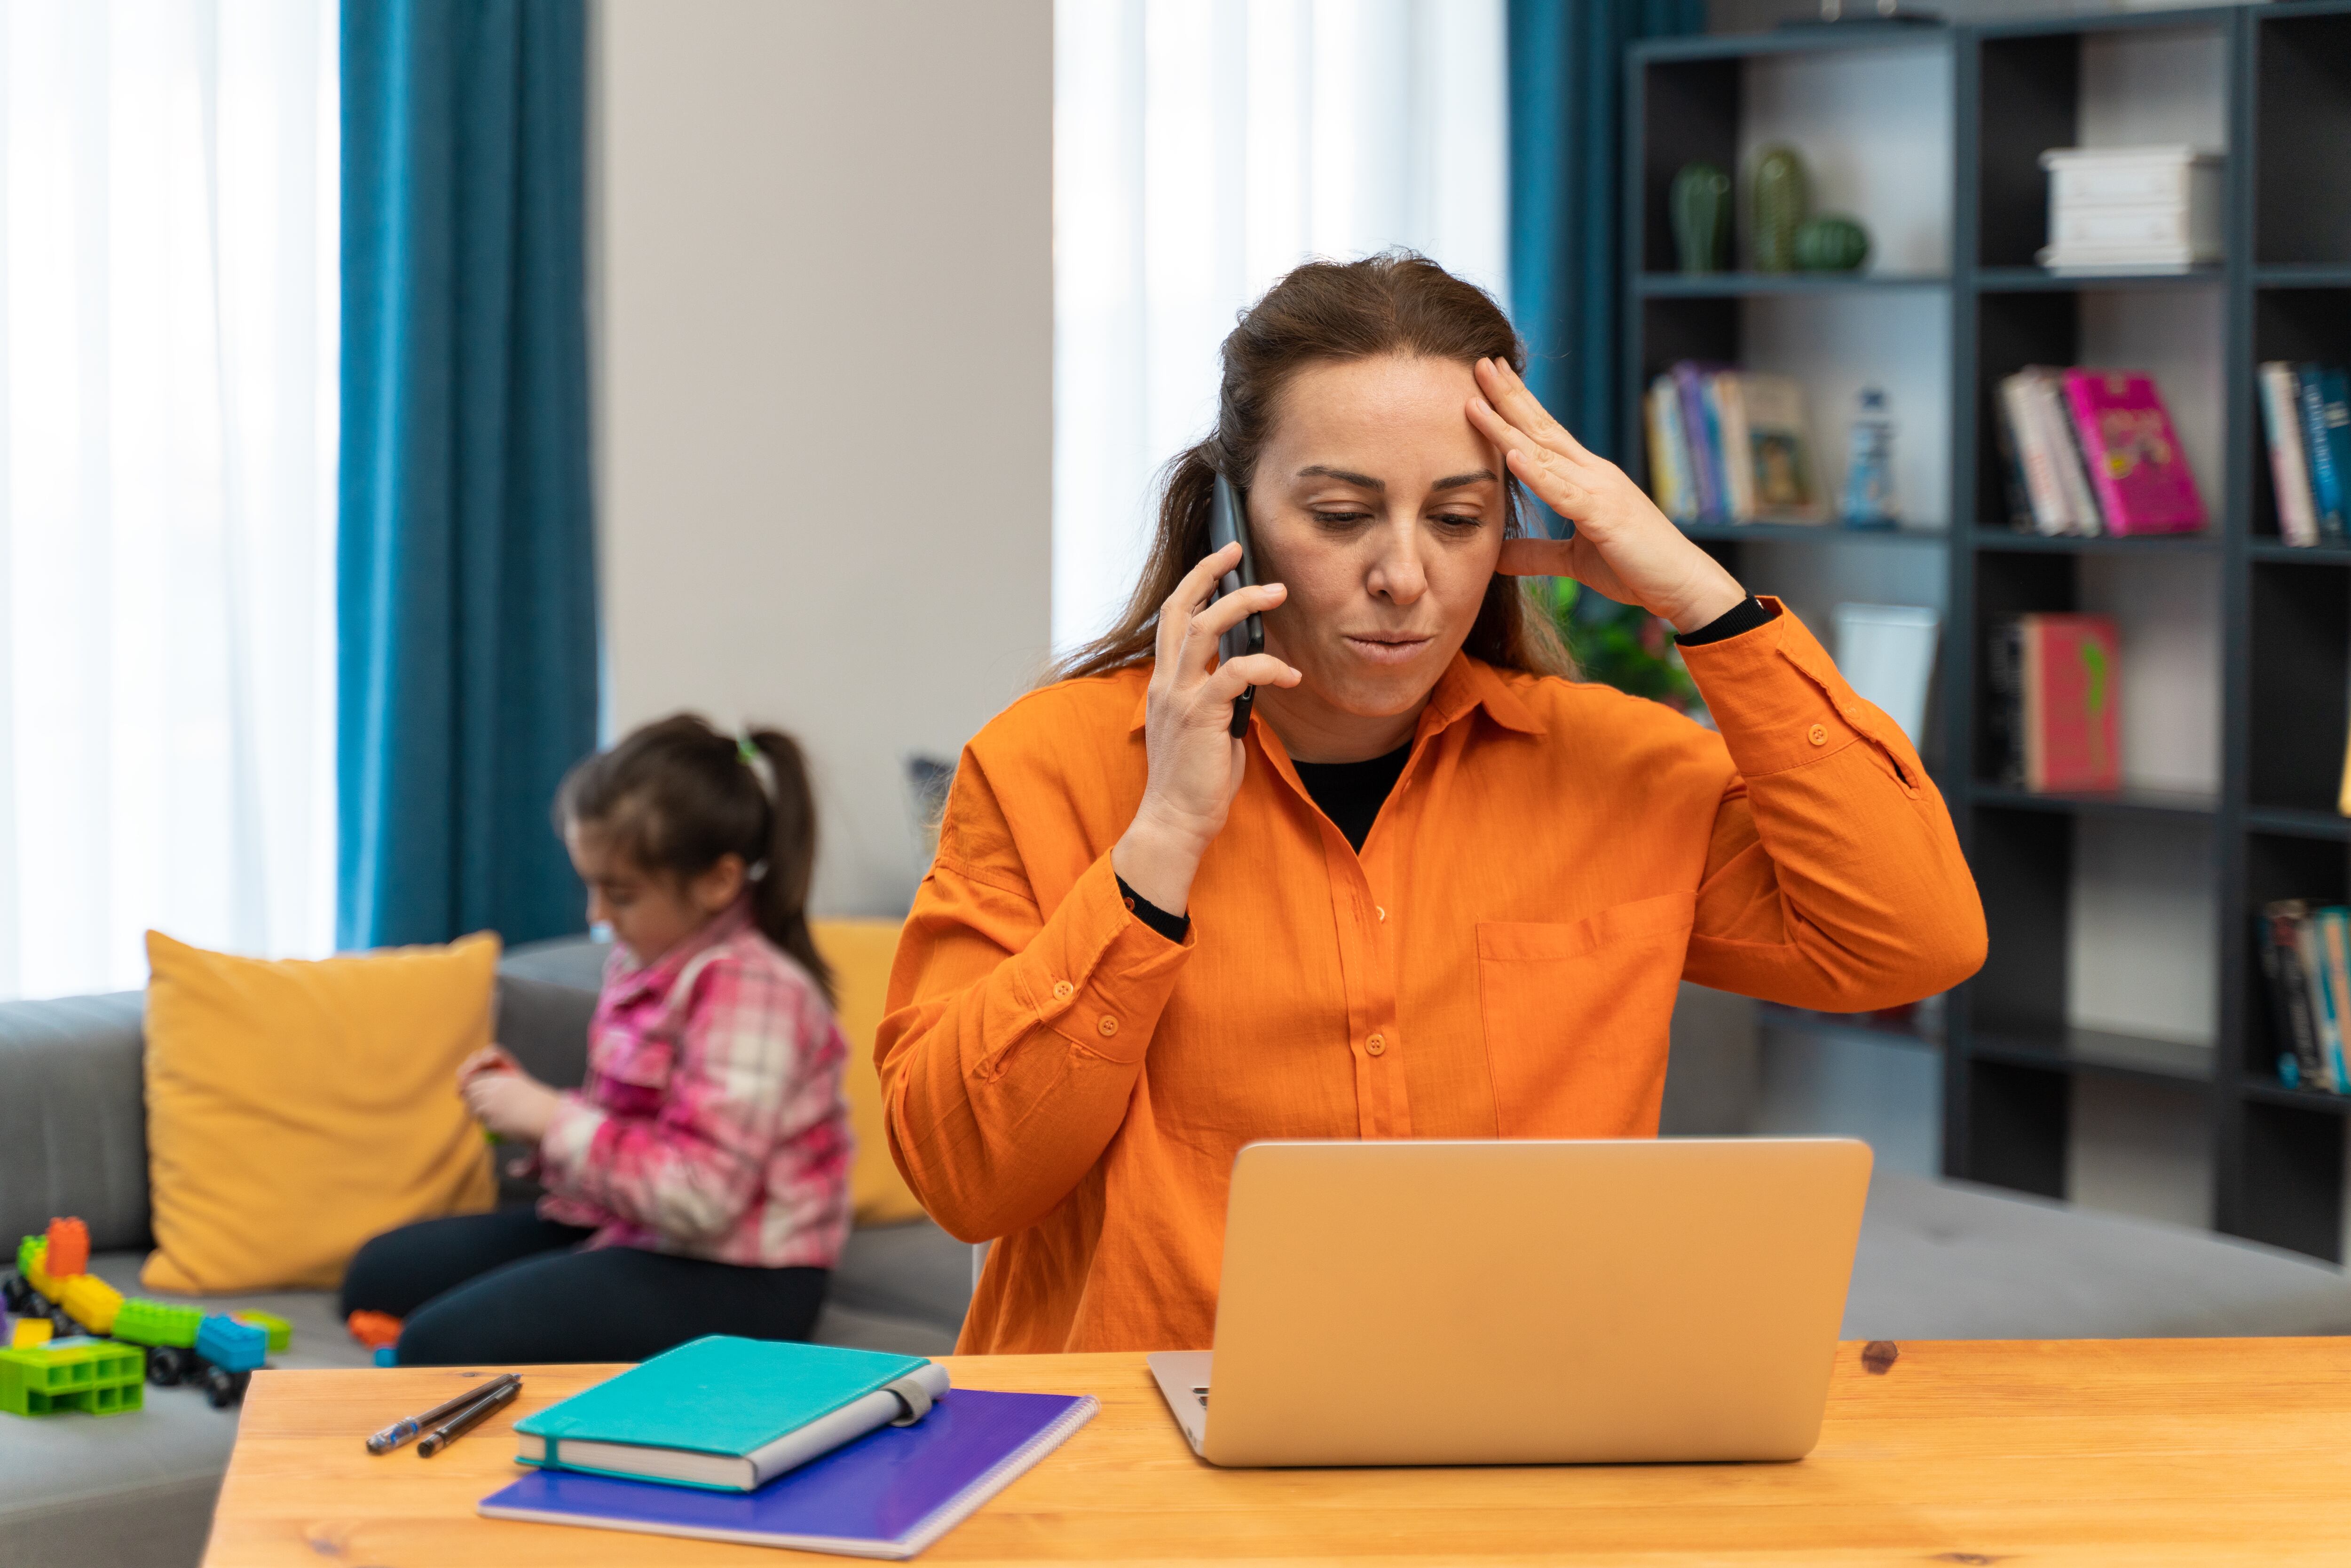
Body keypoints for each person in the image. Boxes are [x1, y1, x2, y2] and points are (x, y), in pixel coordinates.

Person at [877, 252, 1986, 1355]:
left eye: (1456, 520)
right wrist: (1161, 842)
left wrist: (1701, 597)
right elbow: (964, 1180)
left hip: (1509, 1442)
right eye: (1342, 514)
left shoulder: (1622, 771)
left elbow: (1910, 942)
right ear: (1235, 514)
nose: (1404, 576)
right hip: (1145, 1474)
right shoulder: (1046, 767)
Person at [340, 715, 853, 1364]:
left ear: (719, 882)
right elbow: (632, 1130)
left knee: (434, 1346)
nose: (596, 917)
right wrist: (529, 1111)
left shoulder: (754, 992)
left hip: (744, 1276)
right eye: (593, 887)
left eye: (621, 894)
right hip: (636, 1226)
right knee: (375, 1277)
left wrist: (553, 1120)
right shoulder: (643, 960)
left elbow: (702, 1198)